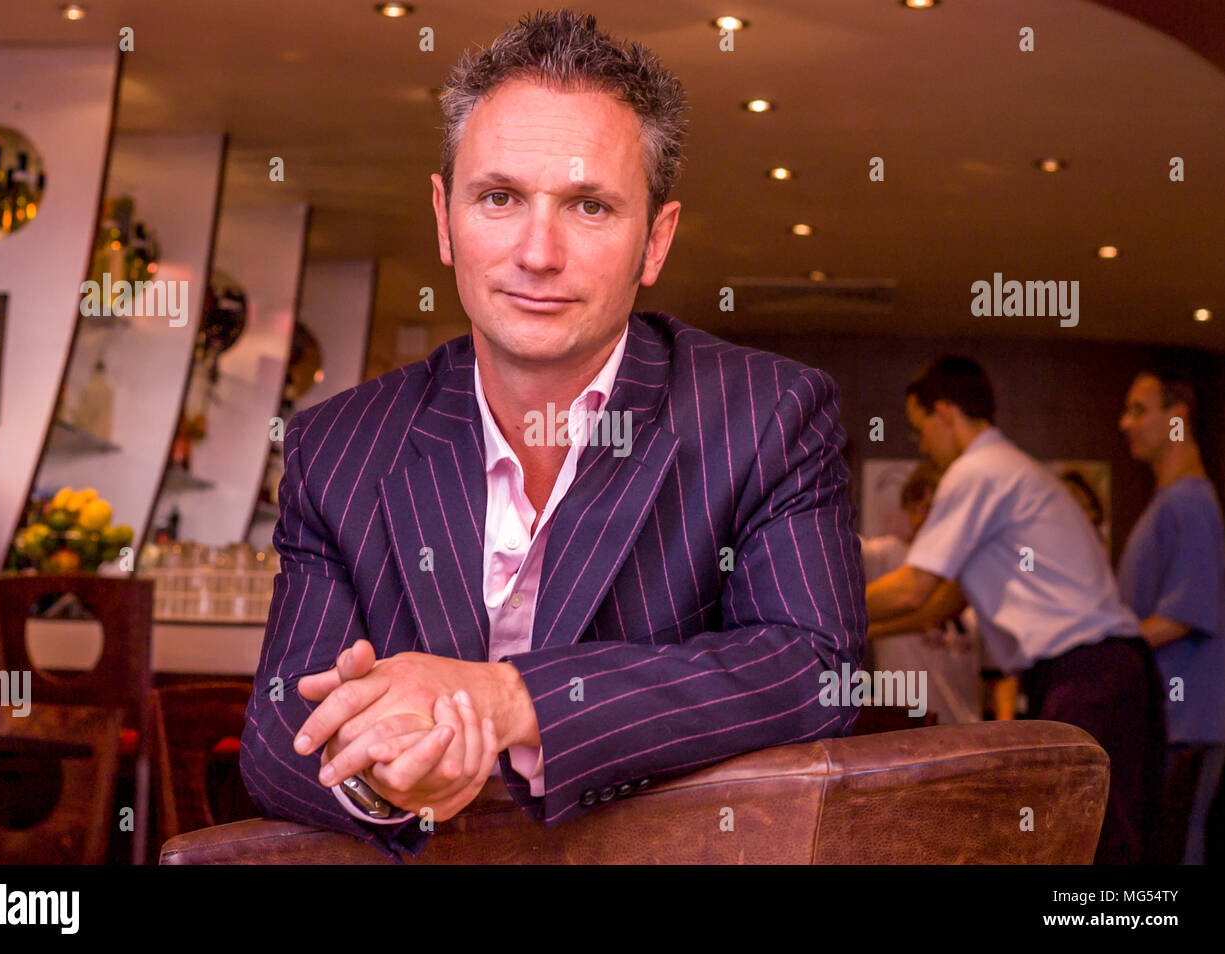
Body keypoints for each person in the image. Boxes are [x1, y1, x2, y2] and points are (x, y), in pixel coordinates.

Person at [240, 10, 865, 860]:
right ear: (444, 217)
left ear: (656, 240)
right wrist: (386, 782)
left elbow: (813, 668)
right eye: (499, 198)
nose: (538, 252)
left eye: (589, 206)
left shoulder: (768, 415)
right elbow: (283, 730)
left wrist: (512, 699)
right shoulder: (340, 448)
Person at [865, 355, 1164, 864]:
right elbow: (939, 605)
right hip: (1111, 671)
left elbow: (915, 588)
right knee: (1103, 839)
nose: (921, 446)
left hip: (1087, 673)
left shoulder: (977, 471)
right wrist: (854, 626)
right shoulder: (1010, 471)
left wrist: (818, 611)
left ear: (945, 412)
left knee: (1089, 840)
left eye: (919, 430)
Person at [1117, 367, 1225, 864]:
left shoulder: (1191, 503)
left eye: (1139, 409)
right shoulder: (1172, 502)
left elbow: (1185, 615)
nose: (1125, 422)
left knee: (1177, 852)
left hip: (1187, 724)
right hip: (1172, 722)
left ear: (1177, 419)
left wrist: (1107, 644)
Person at [861, 461, 982, 725]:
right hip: (906, 733)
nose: (923, 519)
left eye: (935, 508)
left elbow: (928, 605)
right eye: (917, 507)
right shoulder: (887, 554)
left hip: (966, 733)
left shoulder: (974, 569)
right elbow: (840, 543)